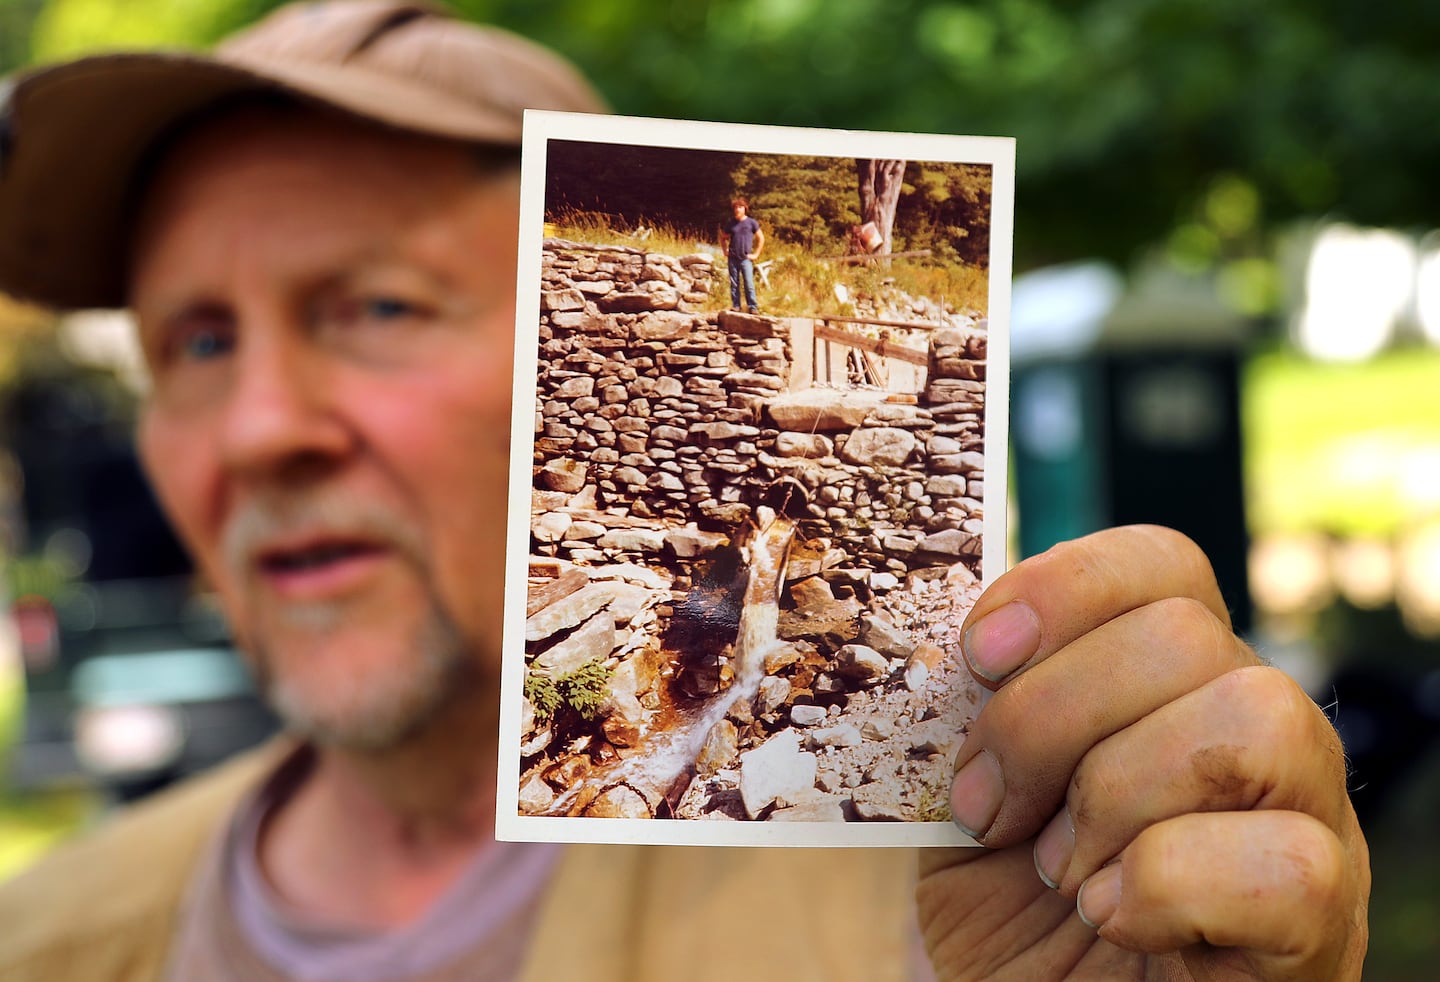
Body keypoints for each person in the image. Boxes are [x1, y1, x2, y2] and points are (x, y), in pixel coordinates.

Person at [0, 2, 1368, 980]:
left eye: (372, 305)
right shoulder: (49, 937)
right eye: (197, 338)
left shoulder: (967, 904)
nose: (256, 428)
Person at [723, 197, 764, 313]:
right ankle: (736, 306)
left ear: (745, 209)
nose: (737, 209)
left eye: (740, 207)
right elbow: (723, 238)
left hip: (745, 258)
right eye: (735, 207)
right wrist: (725, 250)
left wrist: (756, 254)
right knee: (734, 283)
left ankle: (753, 307)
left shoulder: (751, 223)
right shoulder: (731, 224)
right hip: (733, 258)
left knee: (749, 283)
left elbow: (761, 238)